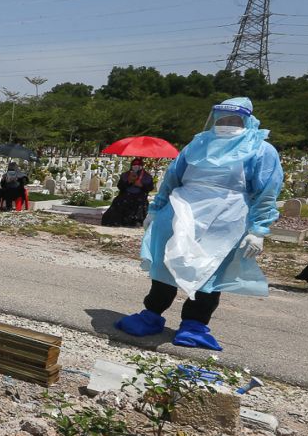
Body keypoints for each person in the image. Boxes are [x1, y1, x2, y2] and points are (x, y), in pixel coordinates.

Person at [115, 97, 283, 351]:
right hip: (181, 211)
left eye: (233, 119)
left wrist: (259, 229)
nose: (226, 124)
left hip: (226, 217)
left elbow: (267, 190)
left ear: (247, 120)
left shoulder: (261, 150)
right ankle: (151, 314)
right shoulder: (198, 143)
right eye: (222, 118)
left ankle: (194, 324)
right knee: (166, 264)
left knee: (209, 271)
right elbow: (174, 176)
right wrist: (157, 207)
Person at [101, 158, 155, 227]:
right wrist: (128, 182)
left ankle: (135, 222)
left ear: (141, 166)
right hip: (125, 196)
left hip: (139, 197)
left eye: (138, 165)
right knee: (118, 202)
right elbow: (120, 186)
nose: (136, 166)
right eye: (134, 165)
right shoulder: (125, 175)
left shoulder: (147, 176)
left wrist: (141, 185)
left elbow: (150, 188)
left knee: (139, 205)